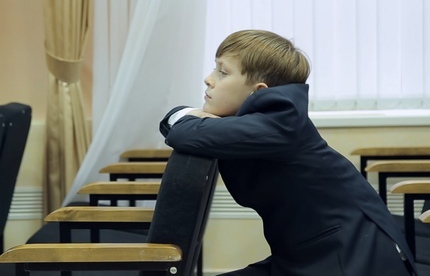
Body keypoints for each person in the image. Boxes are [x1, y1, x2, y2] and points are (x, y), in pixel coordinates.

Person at [159, 30, 417, 276]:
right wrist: (194, 118)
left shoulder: (281, 119)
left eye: (223, 72)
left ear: (258, 91)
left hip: (352, 258)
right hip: (310, 254)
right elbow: (179, 125)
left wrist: (193, 118)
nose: (209, 78)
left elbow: (183, 132)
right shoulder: (258, 122)